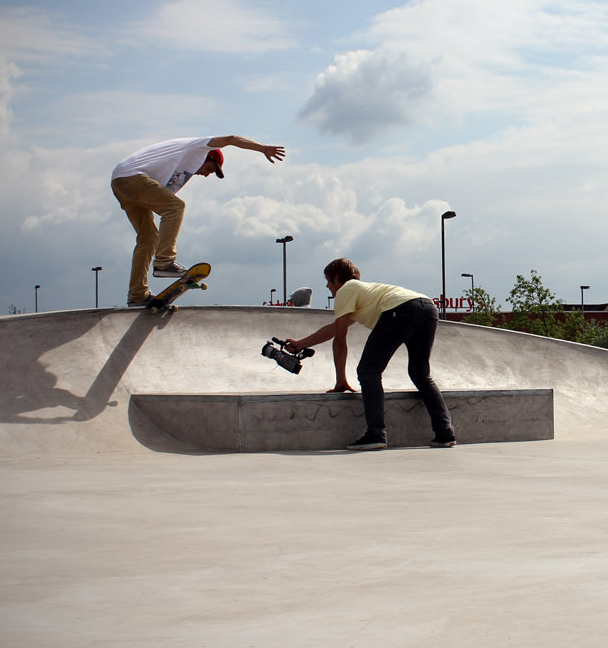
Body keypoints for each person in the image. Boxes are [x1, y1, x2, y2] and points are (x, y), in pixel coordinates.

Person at [286, 259, 456, 450]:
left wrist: (340, 379)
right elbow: (334, 329)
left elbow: (340, 339)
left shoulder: (346, 290)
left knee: (368, 371)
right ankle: (444, 433)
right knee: (420, 373)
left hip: (400, 310)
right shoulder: (365, 293)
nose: (327, 286)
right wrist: (301, 344)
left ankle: (376, 434)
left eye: (328, 281)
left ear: (336, 278)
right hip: (428, 309)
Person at [110, 135, 285, 306]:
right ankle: (164, 262)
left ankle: (137, 294)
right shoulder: (198, 148)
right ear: (207, 156)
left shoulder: (176, 176)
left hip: (121, 182)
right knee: (175, 207)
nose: (206, 175)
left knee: (148, 238)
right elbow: (231, 139)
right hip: (133, 177)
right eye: (209, 169)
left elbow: (160, 204)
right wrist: (263, 148)